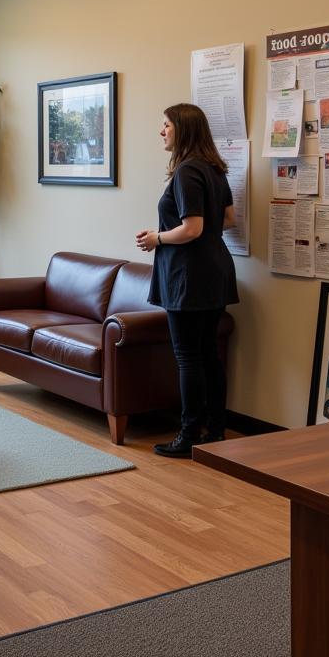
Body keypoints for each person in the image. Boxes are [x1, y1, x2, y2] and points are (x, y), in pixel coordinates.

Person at [135, 103, 238, 458]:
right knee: (209, 353)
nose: (161, 131)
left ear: (183, 130)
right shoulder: (214, 170)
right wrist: (188, 231)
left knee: (187, 356)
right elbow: (228, 220)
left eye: (166, 125)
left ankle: (189, 435)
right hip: (216, 270)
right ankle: (216, 431)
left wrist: (157, 238)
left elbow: (191, 228)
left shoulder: (185, 172)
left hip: (189, 275)